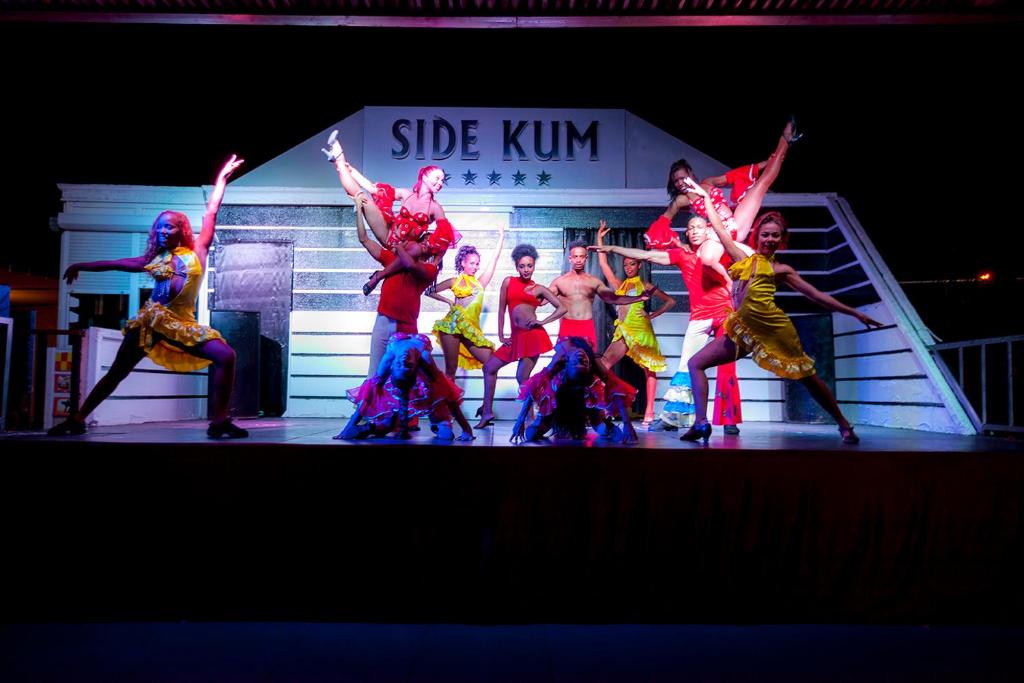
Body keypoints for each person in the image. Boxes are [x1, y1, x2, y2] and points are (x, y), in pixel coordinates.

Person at [48, 156, 248, 439]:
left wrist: (221, 179)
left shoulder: (198, 252)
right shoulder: (153, 260)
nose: (164, 231)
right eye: (160, 227)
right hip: (150, 323)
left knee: (226, 355)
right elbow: (117, 263)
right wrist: (82, 265)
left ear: (181, 230)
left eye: (170, 227)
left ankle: (219, 422)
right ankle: (77, 419)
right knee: (117, 372)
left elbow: (211, 212)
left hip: (181, 323)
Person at [683, 179, 882, 444]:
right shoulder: (743, 259)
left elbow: (816, 295)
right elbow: (719, 229)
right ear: (757, 236)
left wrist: (855, 313)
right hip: (743, 329)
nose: (770, 239)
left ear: (781, 240)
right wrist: (706, 198)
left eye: (775, 235)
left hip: (774, 329)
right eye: (765, 234)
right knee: (696, 363)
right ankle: (700, 422)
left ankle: (844, 424)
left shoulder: (782, 270)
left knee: (807, 378)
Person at [591, 213, 743, 435]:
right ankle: (675, 418)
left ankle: (730, 421)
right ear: (687, 233)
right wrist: (613, 248)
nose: (695, 231)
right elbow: (647, 254)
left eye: (699, 227)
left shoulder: (718, 250)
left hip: (725, 312)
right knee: (686, 366)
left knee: (727, 368)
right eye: (691, 228)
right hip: (700, 315)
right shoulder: (682, 255)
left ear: (708, 230)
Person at [322, 131, 458, 294]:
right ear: (425, 177)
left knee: (416, 248)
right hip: (387, 234)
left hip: (404, 248)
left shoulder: (435, 208)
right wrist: (350, 170)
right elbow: (373, 188)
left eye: (442, 180)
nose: (440, 183)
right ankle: (338, 158)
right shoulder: (406, 194)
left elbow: (444, 238)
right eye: (437, 178)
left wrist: (434, 264)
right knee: (363, 198)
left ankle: (378, 277)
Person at [643, 118, 801, 251]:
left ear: (690, 173)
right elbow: (663, 222)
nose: (679, 183)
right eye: (676, 181)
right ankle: (785, 140)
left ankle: (785, 141)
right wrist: (679, 244)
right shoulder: (681, 200)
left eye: (682, 178)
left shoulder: (707, 182)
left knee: (761, 185)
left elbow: (734, 175)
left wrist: (765, 163)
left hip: (735, 222)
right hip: (719, 235)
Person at [474, 244, 567, 429]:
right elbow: (501, 309)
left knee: (522, 377)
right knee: (489, 367)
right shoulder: (508, 282)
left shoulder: (539, 289)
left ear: (534, 266)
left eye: (530, 266)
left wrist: (543, 321)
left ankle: (533, 418)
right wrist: (501, 335)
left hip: (532, 337)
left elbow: (562, 308)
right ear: (517, 266)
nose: (526, 269)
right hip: (515, 338)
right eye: (522, 266)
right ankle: (487, 412)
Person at [594, 221, 674, 425]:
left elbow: (670, 301)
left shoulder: (644, 285)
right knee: (603, 365)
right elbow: (603, 264)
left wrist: (652, 315)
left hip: (641, 331)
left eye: (632, 264)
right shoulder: (619, 285)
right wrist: (600, 239)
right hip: (623, 331)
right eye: (626, 264)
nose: (628, 267)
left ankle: (649, 412)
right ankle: (601, 408)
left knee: (649, 369)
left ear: (639, 265)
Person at [352, 195, 440, 378]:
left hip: (407, 327)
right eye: (423, 241)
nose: (424, 245)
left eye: (429, 244)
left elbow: (409, 264)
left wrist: (398, 247)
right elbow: (364, 239)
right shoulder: (392, 259)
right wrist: (358, 209)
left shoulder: (430, 270)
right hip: (384, 321)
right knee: (375, 375)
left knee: (404, 379)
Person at [336, 333, 474, 442]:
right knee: (388, 425)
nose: (403, 361)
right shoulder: (419, 360)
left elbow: (450, 399)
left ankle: (437, 424)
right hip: (405, 387)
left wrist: (466, 429)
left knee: (446, 434)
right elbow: (369, 395)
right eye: (404, 365)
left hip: (420, 388)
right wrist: (349, 426)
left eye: (402, 365)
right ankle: (373, 427)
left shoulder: (393, 356)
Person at [510, 337, 638, 444]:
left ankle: (604, 428)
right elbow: (534, 387)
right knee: (532, 434)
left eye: (580, 362)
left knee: (603, 428)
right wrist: (520, 421)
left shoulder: (562, 360)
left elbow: (616, 390)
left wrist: (627, 425)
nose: (580, 357)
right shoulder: (585, 360)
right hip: (560, 399)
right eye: (580, 362)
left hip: (577, 397)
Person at [547, 239, 654, 354]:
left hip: (586, 326)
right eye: (575, 256)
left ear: (586, 258)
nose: (578, 260)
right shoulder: (560, 282)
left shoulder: (594, 282)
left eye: (581, 256)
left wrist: (638, 298)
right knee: (562, 361)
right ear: (570, 258)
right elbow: (541, 300)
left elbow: (613, 298)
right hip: (568, 326)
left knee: (588, 361)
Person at [428, 226, 506, 379]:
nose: (475, 267)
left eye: (477, 264)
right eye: (472, 263)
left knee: (491, 362)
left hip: (470, 329)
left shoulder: (480, 283)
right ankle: (448, 395)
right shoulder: (454, 281)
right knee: (451, 370)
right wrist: (448, 301)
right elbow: (429, 291)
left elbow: (494, 260)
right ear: (463, 263)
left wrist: (501, 237)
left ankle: (487, 396)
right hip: (452, 326)